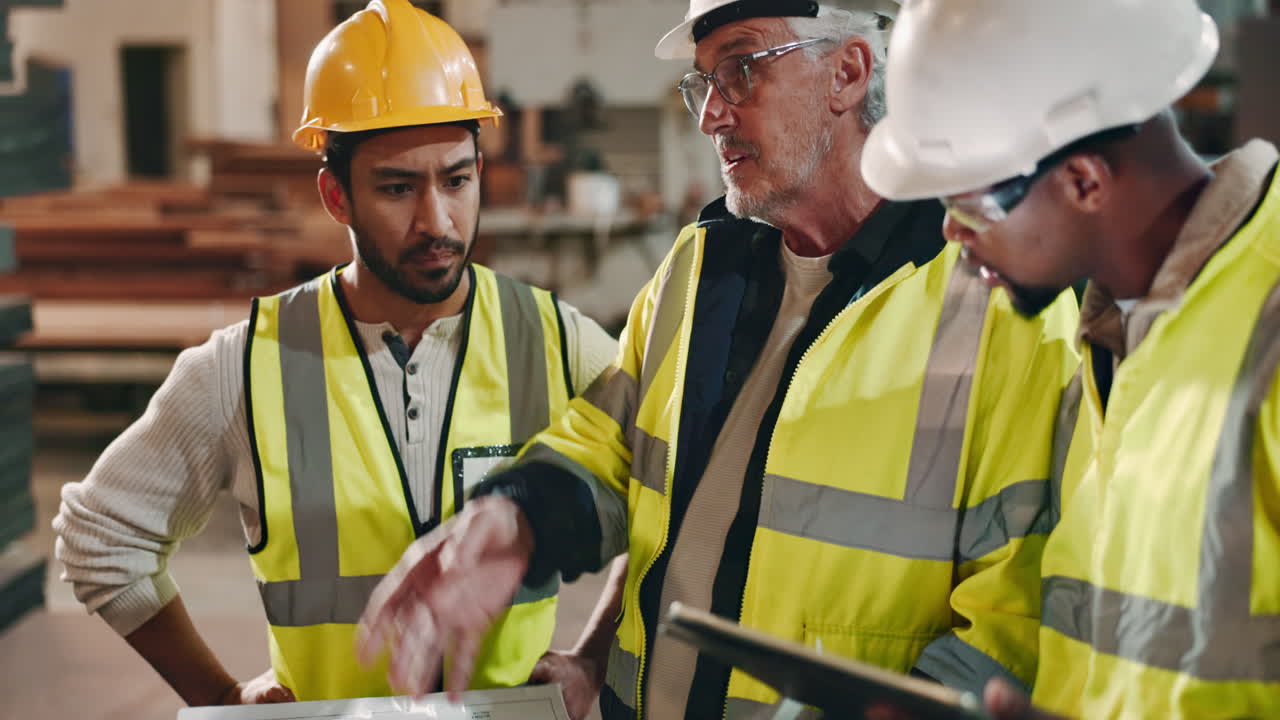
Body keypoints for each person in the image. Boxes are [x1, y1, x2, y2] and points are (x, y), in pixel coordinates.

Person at [355, 1, 1081, 718]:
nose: (711, 116)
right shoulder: (702, 268)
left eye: (740, 70)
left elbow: (1017, 622)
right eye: (703, 82)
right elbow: (608, 444)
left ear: (849, 73)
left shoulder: (1002, 303)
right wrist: (515, 521)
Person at [51, 0, 618, 706]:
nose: (436, 221)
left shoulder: (560, 343)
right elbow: (98, 537)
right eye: (396, 188)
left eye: (457, 180)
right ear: (334, 195)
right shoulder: (246, 366)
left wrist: (594, 658)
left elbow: (676, 503)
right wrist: (219, 698)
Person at [862, 0, 1280, 717]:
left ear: (1084, 180)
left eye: (970, 199)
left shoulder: (1263, 326)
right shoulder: (1118, 337)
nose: (950, 231)